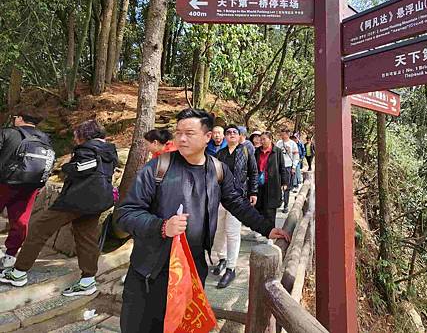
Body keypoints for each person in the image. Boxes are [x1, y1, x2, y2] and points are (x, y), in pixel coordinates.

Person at [116, 109, 290, 333]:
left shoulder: (217, 170)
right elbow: (126, 213)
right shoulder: (157, 168)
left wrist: (267, 228)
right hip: (150, 272)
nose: (181, 138)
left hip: (192, 269)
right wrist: (161, 226)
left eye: (189, 133)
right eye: (178, 133)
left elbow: (237, 202)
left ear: (207, 137)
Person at [0, 120, 118, 296]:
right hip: (98, 201)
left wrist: (67, 167)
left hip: (76, 200)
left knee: (39, 229)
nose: (75, 138)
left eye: (77, 134)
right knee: (86, 238)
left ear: (85, 135)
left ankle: (18, 273)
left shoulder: (89, 149)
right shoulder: (109, 151)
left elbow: (80, 168)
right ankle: (87, 280)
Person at [0, 113, 54, 269]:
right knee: (20, 221)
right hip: (30, 186)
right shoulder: (45, 139)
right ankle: (10, 256)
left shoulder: (9, 132)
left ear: (20, 118)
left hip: (5, 183)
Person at [213, 125, 258, 288]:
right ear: (225, 137)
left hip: (238, 198)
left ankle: (231, 268)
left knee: (232, 232)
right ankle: (222, 258)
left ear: (240, 136)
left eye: (234, 132)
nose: (231, 134)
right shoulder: (220, 154)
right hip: (220, 198)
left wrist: (253, 192)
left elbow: (253, 172)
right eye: (228, 132)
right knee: (219, 230)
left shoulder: (246, 152)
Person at [255, 132, 288, 227]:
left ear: (270, 139)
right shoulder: (257, 151)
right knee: (259, 207)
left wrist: (284, 182)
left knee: (270, 209)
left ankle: (270, 231)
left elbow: (282, 167)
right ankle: (260, 229)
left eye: (264, 139)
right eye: (261, 139)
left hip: (273, 184)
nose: (262, 141)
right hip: (259, 184)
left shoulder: (277, 151)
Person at [275, 128, 299, 213]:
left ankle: (286, 205)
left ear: (288, 134)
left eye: (283, 134)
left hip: (288, 167)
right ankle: (279, 201)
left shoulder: (293, 144)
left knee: (287, 187)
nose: (282, 136)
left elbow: (296, 157)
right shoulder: (278, 143)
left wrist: (294, 167)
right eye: (281, 134)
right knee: (278, 185)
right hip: (279, 167)